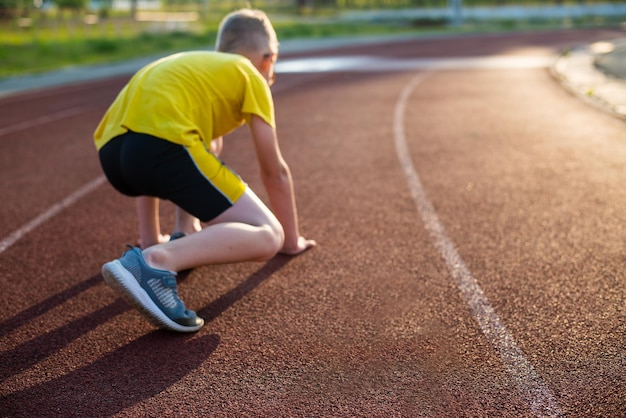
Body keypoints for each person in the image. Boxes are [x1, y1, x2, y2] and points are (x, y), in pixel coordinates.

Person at [94, 8, 316, 333]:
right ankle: (158, 263)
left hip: (113, 155)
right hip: (161, 147)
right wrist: (291, 240)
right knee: (269, 234)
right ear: (268, 58)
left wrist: (149, 237)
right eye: (274, 64)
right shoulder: (250, 74)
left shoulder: (192, 68)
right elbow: (274, 170)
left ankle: (164, 241)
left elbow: (183, 148)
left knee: (197, 154)